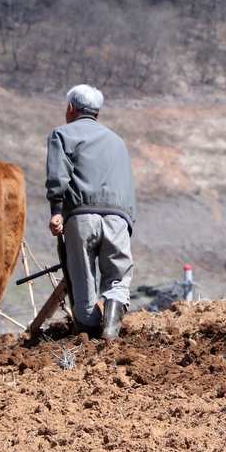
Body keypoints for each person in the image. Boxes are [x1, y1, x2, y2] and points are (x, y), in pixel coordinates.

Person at [45, 84, 136, 341]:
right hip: (119, 218)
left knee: (83, 280)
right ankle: (110, 329)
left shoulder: (62, 134)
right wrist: (127, 222)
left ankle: (87, 337)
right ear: (97, 112)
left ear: (71, 108)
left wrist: (56, 210)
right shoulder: (117, 141)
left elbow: (58, 175)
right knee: (117, 279)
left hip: (82, 217)